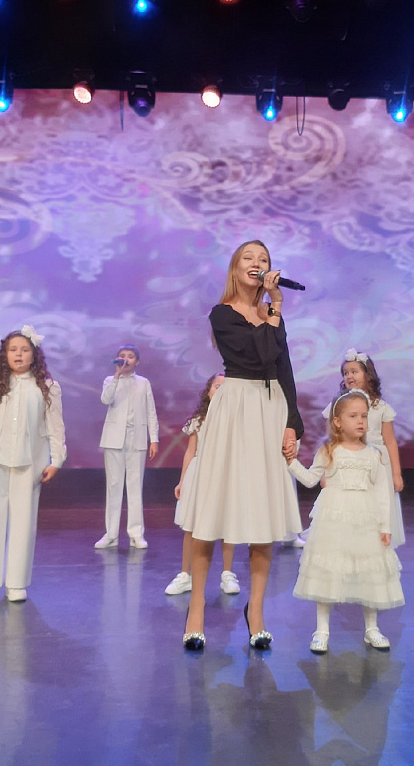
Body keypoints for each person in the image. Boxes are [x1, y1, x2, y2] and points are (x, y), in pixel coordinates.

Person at [179, 240, 304, 651]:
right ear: (235, 269)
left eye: (263, 259)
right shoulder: (222, 314)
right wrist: (274, 310)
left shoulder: (272, 313)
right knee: (214, 509)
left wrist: (292, 424)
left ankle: (257, 612)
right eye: (249, 258)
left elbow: (282, 367)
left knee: (263, 512)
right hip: (235, 409)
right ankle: (196, 609)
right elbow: (256, 358)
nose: (257, 263)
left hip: (270, 409)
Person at [287, 389, 405, 653]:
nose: (360, 421)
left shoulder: (374, 454)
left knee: (370, 572)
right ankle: (322, 630)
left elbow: (382, 493)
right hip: (334, 519)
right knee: (329, 571)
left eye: (364, 415)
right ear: (338, 421)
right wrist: (291, 463)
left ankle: (372, 628)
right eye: (353, 416)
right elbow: (311, 479)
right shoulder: (329, 450)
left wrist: (385, 526)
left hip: (365, 519)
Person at [0, 325, 66, 604]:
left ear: (34, 355)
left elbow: (55, 428)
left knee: (23, 524)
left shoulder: (47, 388)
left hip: (29, 465)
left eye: (24, 350)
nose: (18, 354)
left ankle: (16, 583)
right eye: (13, 349)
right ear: (5, 354)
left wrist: (57, 460)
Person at [321, 348, 405, 547]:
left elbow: (390, 441)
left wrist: (396, 473)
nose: (349, 376)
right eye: (346, 373)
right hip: (349, 461)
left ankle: (377, 544)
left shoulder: (380, 407)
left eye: (354, 371)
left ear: (368, 375)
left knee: (377, 504)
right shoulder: (337, 406)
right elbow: (330, 439)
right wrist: (326, 472)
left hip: (376, 463)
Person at [166, 373, 241, 596]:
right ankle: (185, 575)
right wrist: (182, 481)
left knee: (226, 524)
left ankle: (227, 574)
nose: (220, 391)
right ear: (208, 392)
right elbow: (190, 452)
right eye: (217, 386)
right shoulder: (199, 420)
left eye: (225, 388)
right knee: (192, 525)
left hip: (224, 474)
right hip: (199, 475)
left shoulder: (236, 420)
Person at [95, 344, 159, 550]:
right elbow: (106, 399)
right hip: (114, 438)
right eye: (122, 356)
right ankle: (111, 535)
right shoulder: (109, 380)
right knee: (114, 486)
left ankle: (136, 534)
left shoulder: (143, 383)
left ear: (137, 362)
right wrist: (116, 376)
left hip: (136, 438)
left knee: (134, 486)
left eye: (131, 356)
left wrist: (154, 439)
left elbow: (151, 412)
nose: (126, 359)